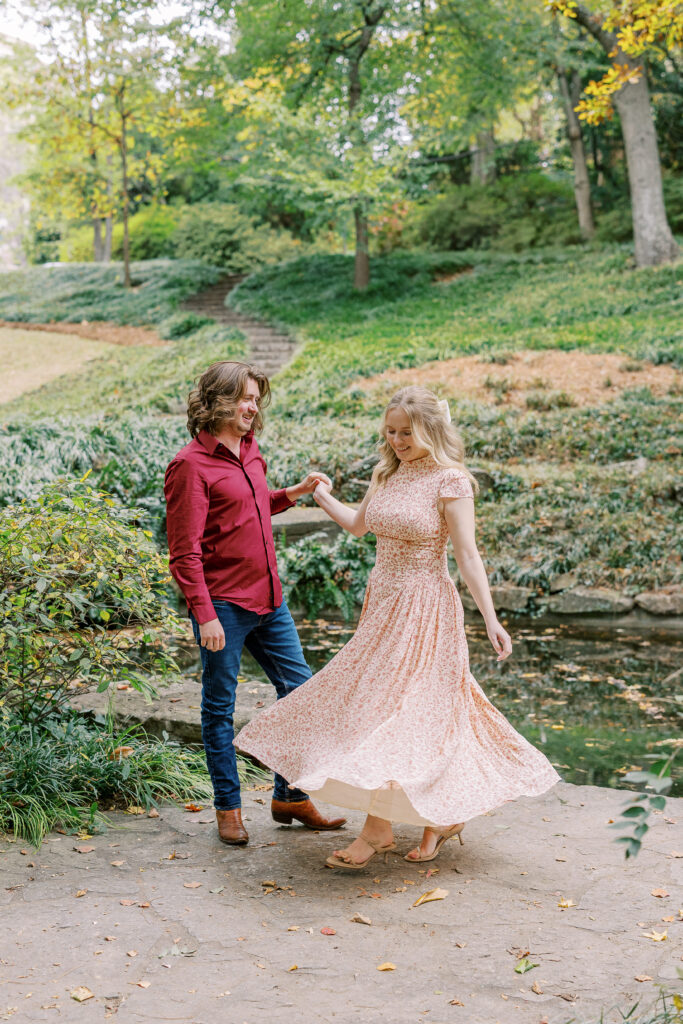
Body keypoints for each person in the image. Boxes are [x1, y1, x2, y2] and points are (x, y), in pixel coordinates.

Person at [235, 385, 560, 868]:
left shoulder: (451, 481)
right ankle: (434, 817)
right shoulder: (386, 472)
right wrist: (321, 495)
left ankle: (378, 830)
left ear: (430, 430)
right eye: (390, 431)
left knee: (405, 713)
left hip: (424, 606)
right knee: (375, 708)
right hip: (383, 605)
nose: (397, 441)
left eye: (407, 433)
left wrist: (491, 618)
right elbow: (358, 526)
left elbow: (467, 555)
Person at [164, 360, 346, 846]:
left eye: (255, 398)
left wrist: (295, 493)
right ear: (217, 402)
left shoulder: (249, 450)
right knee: (218, 708)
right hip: (223, 606)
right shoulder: (189, 466)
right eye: (244, 398)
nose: (252, 406)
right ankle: (228, 807)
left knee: (302, 693)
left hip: (270, 600)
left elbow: (254, 504)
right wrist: (204, 615)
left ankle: (290, 796)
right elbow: (183, 553)